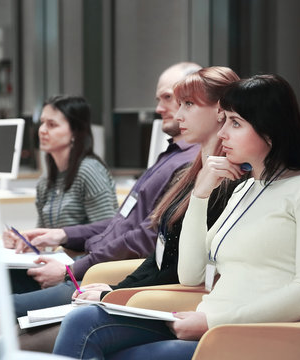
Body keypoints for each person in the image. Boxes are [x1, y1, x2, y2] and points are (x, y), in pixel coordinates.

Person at [52, 74, 300, 359]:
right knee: (82, 321)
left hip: (247, 335)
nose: (222, 134)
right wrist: (200, 194)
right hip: (207, 321)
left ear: (269, 129)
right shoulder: (245, 189)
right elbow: (191, 273)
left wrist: (213, 320)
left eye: (235, 123)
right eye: (224, 121)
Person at [11, 62, 202, 318]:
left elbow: (147, 237)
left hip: (101, 272)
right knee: (6, 281)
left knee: (8, 305)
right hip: (89, 264)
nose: (158, 108)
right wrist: (62, 235)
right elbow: (120, 223)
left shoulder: (189, 164)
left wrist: (74, 269)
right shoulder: (169, 156)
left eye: (168, 98)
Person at [76, 66, 241, 302]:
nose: (179, 115)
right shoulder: (192, 173)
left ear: (219, 110)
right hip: (149, 294)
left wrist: (116, 293)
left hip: (168, 302)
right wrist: (117, 289)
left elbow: (182, 273)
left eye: (188, 104)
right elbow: (161, 256)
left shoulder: (226, 183)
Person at [4, 96, 119, 293]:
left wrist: (64, 247)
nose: (42, 130)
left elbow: (110, 232)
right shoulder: (46, 180)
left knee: (6, 293)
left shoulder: (89, 170)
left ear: (75, 132)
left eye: (52, 124)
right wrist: (24, 241)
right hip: (52, 266)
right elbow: (43, 236)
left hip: (81, 273)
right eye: (42, 123)